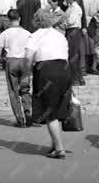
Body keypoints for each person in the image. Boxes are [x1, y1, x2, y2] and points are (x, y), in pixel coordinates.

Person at [25, 10, 72, 159]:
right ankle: (54, 144)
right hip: (63, 69)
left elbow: (28, 58)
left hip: (45, 70)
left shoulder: (34, 36)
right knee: (57, 109)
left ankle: (59, 148)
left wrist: (27, 74)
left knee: (49, 111)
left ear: (37, 21)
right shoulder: (60, 35)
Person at [0, 9, 32, 127]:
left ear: (8, 19)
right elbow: (31, 50)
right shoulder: (27, 33)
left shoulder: (5, 33)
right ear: (20, 19)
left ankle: (20, 119)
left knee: (13, 91)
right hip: (24, 61)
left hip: (11, 62)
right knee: (25, 89)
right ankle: (28, 111)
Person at [63, 0, 85, 86]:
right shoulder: (70, 7)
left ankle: (75, 79)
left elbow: (71, 21)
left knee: (73, 55)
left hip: (73, 31)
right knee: (72, 55)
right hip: (71, 31)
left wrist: (64, 22)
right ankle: (78, 78)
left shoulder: (75, 8)